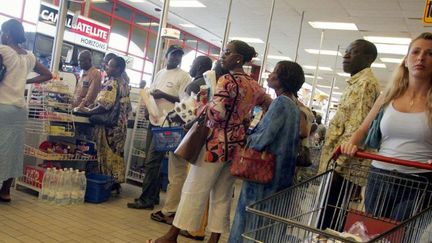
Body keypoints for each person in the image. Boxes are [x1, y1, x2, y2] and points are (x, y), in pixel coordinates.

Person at [149, 40, 272, 243]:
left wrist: (200, 107)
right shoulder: (253, 85)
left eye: (227, 52)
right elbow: (268, 104)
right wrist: (249, 125)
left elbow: (216, 114)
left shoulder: (226, 81)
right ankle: (214, 239)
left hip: (214, 145)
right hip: (237, 147)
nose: (223, 55)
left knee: (194, 189)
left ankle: (172, 236)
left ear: (238, 58)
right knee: (223, 195)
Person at [341, 32, 432, 222]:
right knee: (372, 231)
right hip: (379, 176)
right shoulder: (388, 96)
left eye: (430, 54)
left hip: (418, 181)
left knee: (400, 236)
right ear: (406, 61)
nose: (421, 58)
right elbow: (362, 129)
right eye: (415, 52)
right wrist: (351, 143)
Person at [228, 60, 304, 242]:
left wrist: (247, 136)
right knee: (266, 224)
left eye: (275, 71)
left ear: (283, 78)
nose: (270, 74)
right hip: (281, 174)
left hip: (263, 173)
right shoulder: (295, 106)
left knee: (249, 220)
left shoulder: (280, 103)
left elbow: (263, 139)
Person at [149, 55, 213, 241]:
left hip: (185, 136)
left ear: (200, 66)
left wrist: (175, 116)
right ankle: (181, 216)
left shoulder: (195, 85)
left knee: (176, 175)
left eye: (193, 64)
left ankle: (170, 210)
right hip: (198, 140)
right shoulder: (207, 84)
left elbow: (187, 111)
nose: (190, 67)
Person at [318, 39, 381, 229]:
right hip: (337, 164)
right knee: (327, 216)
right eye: (345, 52)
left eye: (352, 52)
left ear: (368, 58)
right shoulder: (356, 82)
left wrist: (337, 166)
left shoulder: (365, 84)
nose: (345, 56)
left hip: (343, 167)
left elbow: (358, 128)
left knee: (331, 219)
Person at [127, 45, 190, 210]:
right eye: (173, 55)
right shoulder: (161, 73)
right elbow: (152, 94)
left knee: (152, 162)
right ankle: (152, 196)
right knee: (151, 162)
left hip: (168, 126)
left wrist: (163, 95)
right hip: (154, 121)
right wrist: (148, 108)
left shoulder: (183, 76)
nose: (176, 58)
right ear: (166, 55)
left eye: (179, 56)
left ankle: (146, 199)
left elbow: (184, 101)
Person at [0, 19, 52, 202]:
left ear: (6, 34)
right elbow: (48, 74)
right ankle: (5, 191)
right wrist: (25, 82)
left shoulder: (2, 50)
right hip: (20, 110)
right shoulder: (29, 56)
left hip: (2, 105)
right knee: (13, 150)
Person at [79, 56, 131, 183]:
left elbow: (104, 105)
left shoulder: (112, 83)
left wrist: (88, 111)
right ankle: (114, 182)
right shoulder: (124, 84)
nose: (107, 67)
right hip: (120, 127)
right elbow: (128, 108)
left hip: (109, 128)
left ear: (118, 68)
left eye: (110, 65)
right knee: (116, 154)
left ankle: (105, 183)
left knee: (106, 155)